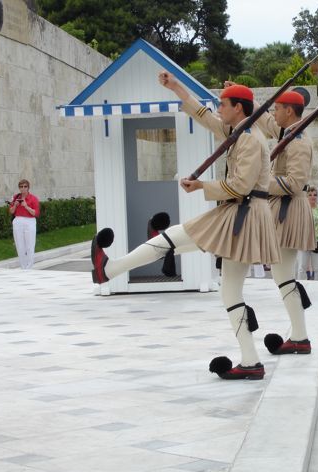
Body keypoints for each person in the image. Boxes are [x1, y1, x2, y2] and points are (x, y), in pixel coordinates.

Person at [91, 74, 280, 380]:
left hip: (241, 213)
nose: (218, 106)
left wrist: (200, 186)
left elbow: (239, 185)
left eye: (224, 103)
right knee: (230, 292)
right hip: (244, 214)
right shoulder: (239, 131)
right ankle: (250, 361)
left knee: (174, 237)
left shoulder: (249, 140)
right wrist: (175, 87)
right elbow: (203, 115)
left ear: (239, 108)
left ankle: (109, 269)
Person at [251, 88, 316, 355]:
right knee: (282, 274)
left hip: (289, 209)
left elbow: (294, 182)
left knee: (283, 274)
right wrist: (249, 101)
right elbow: (265, 120)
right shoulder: (286, 133)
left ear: (289, 111)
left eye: (277, 108)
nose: (273, 113)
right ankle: (299, 335)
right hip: (281, 207)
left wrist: (257, 181)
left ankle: (300, 337)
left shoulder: (298, 141)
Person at [9, 179, 40, 269]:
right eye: (21, 187)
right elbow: (11, 212)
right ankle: (23, 267)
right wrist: (15, 205)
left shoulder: (33, 198)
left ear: (28, 188)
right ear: (19, 188)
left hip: (29, 221)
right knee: (20, 245)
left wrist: (26, 206)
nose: (23, 188)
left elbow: (36, 213)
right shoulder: (15, 197)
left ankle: (29, 267)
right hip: (18, 220)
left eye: (25, 186)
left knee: (30, 245)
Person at [300, 186, 318, 281]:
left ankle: (317, 289)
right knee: (302, 267)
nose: (313, 197)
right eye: (310, 195)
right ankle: (301, 287)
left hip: (317, 240)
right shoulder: (302, 209)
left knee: (317, 268)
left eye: (315, 195)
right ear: (306, 196)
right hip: (303, 241)